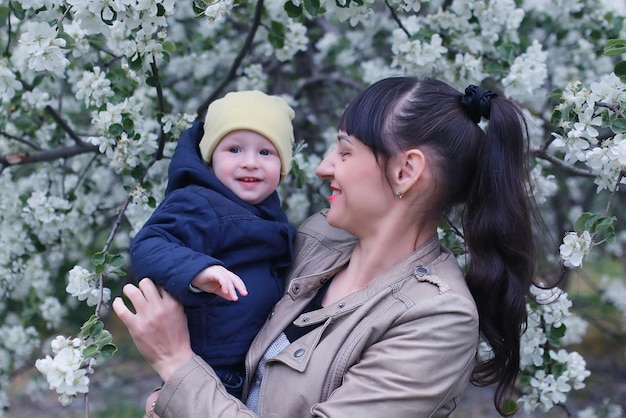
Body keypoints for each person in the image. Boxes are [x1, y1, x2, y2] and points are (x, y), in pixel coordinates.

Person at [115, 76, 537, 417]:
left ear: (406, 170)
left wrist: (176, 365)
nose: (322, 168)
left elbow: (193, 383)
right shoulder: (315, 241)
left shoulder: (436, 319)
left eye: (345, 151)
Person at [129, 90, 297, 398]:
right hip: (215, 366)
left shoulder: (264, 209)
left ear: (283, 167)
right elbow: (149, 244)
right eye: (234, 149)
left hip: (251, 360)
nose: (250, 163)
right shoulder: (199, 202)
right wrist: (199, 271)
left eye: (265, 153)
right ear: (210, 159)